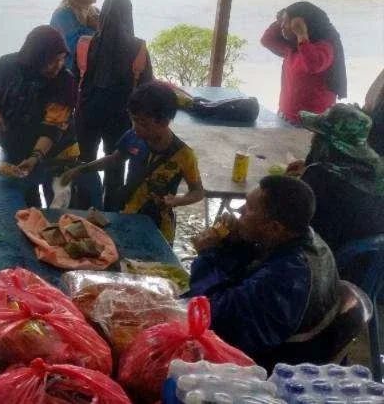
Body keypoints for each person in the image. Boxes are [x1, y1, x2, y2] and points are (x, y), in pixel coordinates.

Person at [188, 176, 339, 367]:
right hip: (278, 338)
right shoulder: (301, 237)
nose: (239, 210)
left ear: (274, 227)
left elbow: (212, 315)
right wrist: (235, 243)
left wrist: (208, 255)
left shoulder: (288, 276)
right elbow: (251, 274)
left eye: (250, 208)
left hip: (277, 366)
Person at [61, 82, 203, 242]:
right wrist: (80, 170)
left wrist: (177, 201)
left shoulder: (184, 155)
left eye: (143, 123)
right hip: (128, 217)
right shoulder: (133, 137)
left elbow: (197, 192)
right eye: (133, 120)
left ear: (164, 122)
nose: (135, 127)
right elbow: (114, 159)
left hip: (160, 228)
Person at [0, 26, 93, 209]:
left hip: (58, 156)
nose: (58, 66)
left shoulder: (65, 81)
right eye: (51, 61)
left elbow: (53, 127)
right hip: (15, 152)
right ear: (34, 57)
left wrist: (34, 157)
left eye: (61, 59)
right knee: (24, 207)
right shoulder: (6, 66)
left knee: (59, 209)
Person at [74, 0, 153, 211]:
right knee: (116, 168)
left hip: (86, 115)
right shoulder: (138, 48)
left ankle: (80, 211)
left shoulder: (84, 44)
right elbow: (147, 89)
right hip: (121, 118)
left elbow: (74, 80)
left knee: (85, 164)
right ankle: (110, 214)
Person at [290, 104, 384, 253]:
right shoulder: (378, 174)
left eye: (316, 134)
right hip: (360, 265)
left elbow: (283, 219)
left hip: (317, 258)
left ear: (325, 142)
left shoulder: (320, 177)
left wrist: (286, 183)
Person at [260, 1, 346, 125]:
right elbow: (266, 40)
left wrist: (302, 35)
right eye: (282, 22)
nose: (282, 26)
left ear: (304, 25)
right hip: (285, 115)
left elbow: (312, 65)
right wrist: (280, 20)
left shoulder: (326, 48)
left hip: (313, 122)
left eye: (287, 22)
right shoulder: (293, 48)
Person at [50, 0, 99, 73]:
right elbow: (75, 48)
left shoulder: (93, 11)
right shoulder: (63, 15)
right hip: (68, 72)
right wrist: (94, 28)